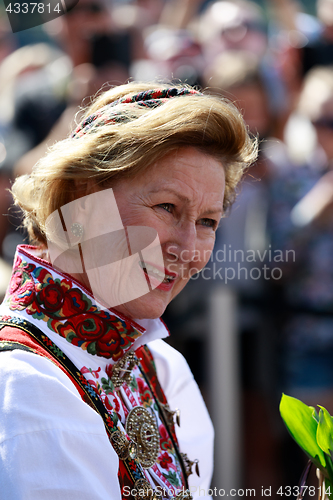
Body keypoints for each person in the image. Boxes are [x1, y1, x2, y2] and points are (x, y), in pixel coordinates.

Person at [0, 82, 257, 500]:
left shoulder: (162, 365)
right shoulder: (24, 386)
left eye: (208, 222)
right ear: (83, 199)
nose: (187, 249)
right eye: (167, 208)